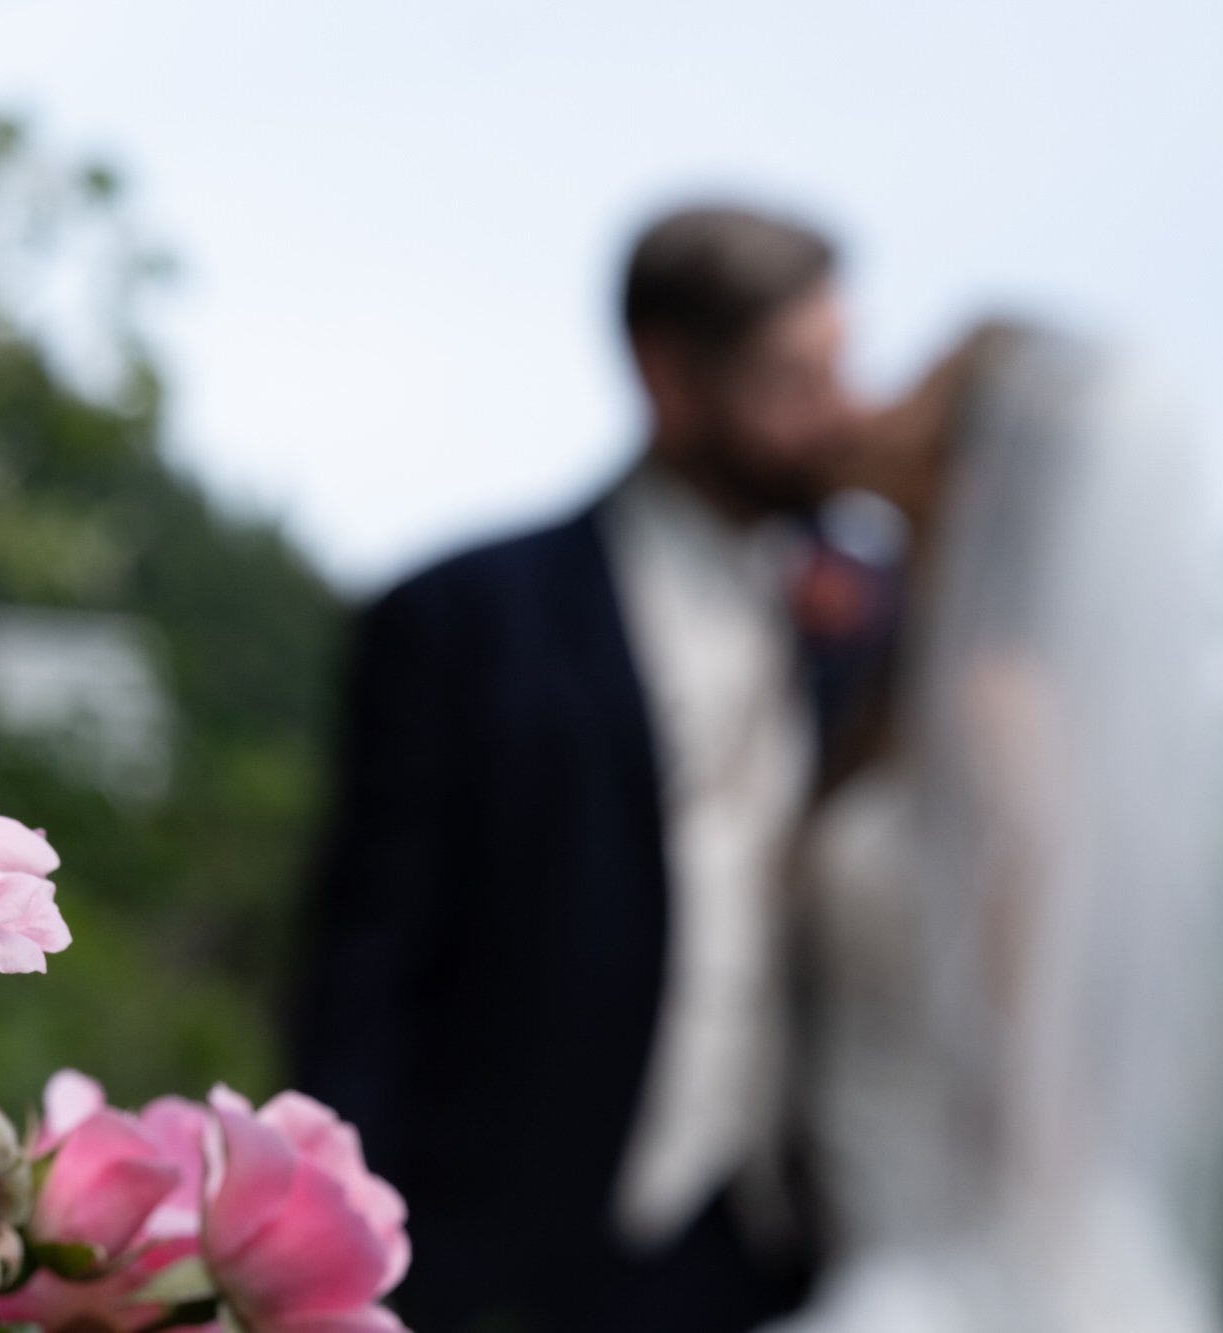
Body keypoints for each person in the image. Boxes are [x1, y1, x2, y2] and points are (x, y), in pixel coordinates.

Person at [291, 204, 878, 1331]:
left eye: (837, 369)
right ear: (670, 378)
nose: (838, 414)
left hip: (780, 1256)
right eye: (793, 379)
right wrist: (337, 1262)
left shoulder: (871, 625)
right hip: (504, 1264)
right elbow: (364, 972)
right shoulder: (460, 619)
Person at [769, 323, 1223, 1332]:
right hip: (872, 1228)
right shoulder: (926, 672)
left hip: (954, 1255)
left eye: (914, 388)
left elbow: (1037, 1017)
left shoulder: (994, 703)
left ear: (966, 464)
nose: (871, 406)